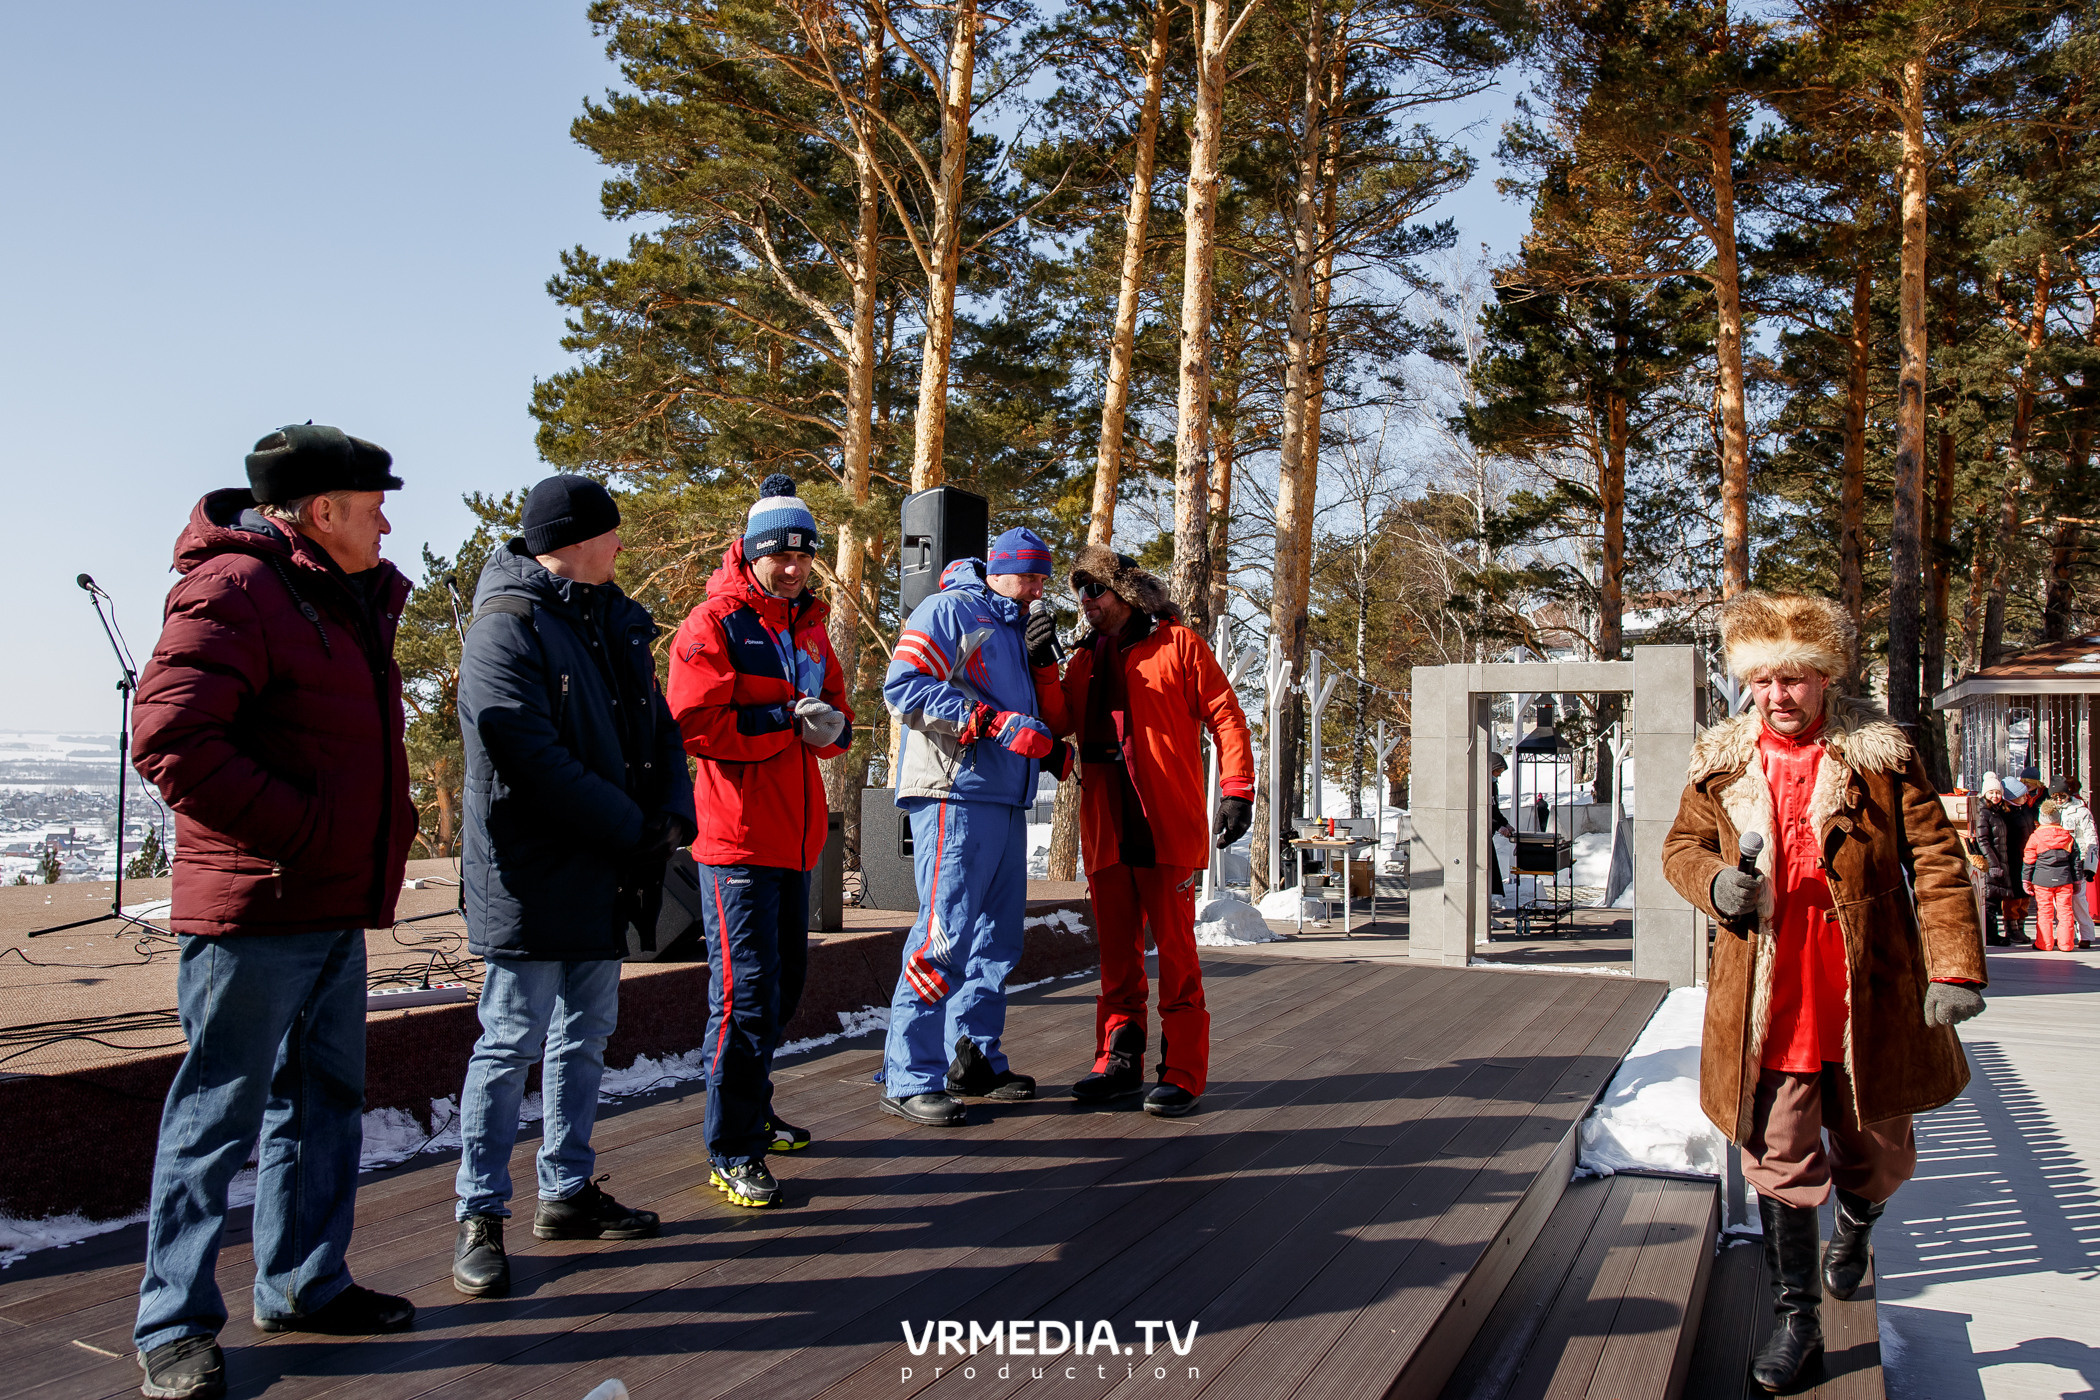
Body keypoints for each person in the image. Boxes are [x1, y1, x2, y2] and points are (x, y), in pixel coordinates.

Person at [129, 425, 420, 1400]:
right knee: (217, 1118)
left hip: (328, 902)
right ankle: (172, 1322)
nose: (386, 516)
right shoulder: (237, 588)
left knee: (323, 1103)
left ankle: (302, 1279)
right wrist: (301, 830)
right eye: (372, 500)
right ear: (323, 509)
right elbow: (170, 736)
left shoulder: (333, 593)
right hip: (256, 911)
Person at [1662, 591, 1985, 1394]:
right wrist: (1713, 884)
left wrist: (1952, 968)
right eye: (1766, 679)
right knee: (1779, 1156)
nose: (1780, 695)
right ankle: (1797, 1319)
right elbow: (1681, 847)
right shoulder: (1721, 758)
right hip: (1769, 997)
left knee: (1878, 1155)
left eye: (1798, 678)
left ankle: (1859, 1223)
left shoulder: (1882, 756)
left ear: (1827, 678)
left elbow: (1939, 863)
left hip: (1868, 990)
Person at [448, 476, 696, 1297]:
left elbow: (656, 725)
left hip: (602, 869)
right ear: (575, 538)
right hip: (528, 873)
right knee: (510, 1041)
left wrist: (671, 812)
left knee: (585, 1038)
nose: (623, 545)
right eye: (612, 532)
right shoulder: (505, 626)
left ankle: (566, 1192)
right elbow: (528, 756)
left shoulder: (612, 619)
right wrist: (634, 826)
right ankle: (479, 1215)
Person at [666, 475, 852, 1207]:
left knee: (781, 993)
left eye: (805, 555)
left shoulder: (810, 622)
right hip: (736, 840)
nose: (795, 567)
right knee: (742, 999)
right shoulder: (714, 622)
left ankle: (754, 1112)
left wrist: (828, 726)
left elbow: (834, 703)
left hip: (794, 839)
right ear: (751, 552)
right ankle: (730, 1146)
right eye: (782, 555)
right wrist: (783, 723)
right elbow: (695, 725)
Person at [1035, 547, 1255, 1118]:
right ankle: (1118, 1060)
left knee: (1177, 955)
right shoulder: (1082, 659)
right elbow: (1059, 723)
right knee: (1116, 956)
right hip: (1107, 826)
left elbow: (1226, 714)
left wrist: (1237, 790)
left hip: (1164, 824)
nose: (1085, 604)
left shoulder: (1178, 644)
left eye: (1095, 592)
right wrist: (1041, 663)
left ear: (1125, 594)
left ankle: (1183, 1071)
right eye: (1079, 593)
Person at [876, 529, 1076, 1124]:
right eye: (1029, 577)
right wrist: (989, 723)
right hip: (953, 796)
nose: (1039, 588)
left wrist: (1045, 748)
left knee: (997, 941)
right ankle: (908, 1074)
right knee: (944, 937)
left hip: (1006, 799)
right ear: (998, 570)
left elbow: (1027, 714)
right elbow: (903, 688)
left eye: (1044, 577)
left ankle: (973, 1059)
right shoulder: (949, 609)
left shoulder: (1017, 628)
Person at [1974, 772, 2030, 947]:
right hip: (1998, 861)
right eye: (1991, 793)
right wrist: (1993, 863)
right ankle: (1995, 934)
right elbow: (1983, 840)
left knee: (1997, 898)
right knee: (1992, 901)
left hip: (2004, 860)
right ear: (1985, 794)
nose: (1995, 796)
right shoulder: (1985, 812)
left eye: (1997, 793)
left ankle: (2001, 932)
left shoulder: (1997, 811)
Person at [2022, 797, 2080, 952]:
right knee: (2066, 911)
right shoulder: (2068, 837)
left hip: (2042, 880)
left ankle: (2044, 944)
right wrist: (2077, 881)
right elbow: (2075, 861)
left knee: (2045, 912)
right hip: (2064, 879)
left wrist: (2026, 880)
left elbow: (2029, 860)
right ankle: (2066, 944)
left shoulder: (2035, 837)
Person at [2047, 776, 2097, 946]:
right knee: (2058, 902)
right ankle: (2063, 934)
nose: (2059, 800)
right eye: (2056, 797)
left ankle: (2086, 934)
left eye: (2062, 796)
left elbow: (2091, 838)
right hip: (2055, 861)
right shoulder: (2048, 811)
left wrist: (2091, 865)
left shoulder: (2081, 811)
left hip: (2077, 860)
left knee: (2078, 899)